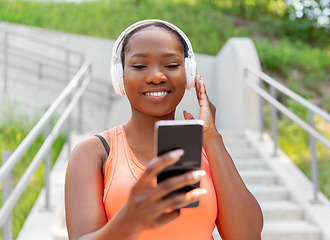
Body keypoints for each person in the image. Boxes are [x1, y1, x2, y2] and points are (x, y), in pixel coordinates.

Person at [65, 19, 263, 240]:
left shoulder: (207, 149)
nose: (157, 76)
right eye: (140, 66)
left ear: (189, 74)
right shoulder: (94, 153)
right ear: (119, 77)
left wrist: (211, 136)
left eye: (171, 65)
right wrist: (128, 221)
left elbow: (249, 235)